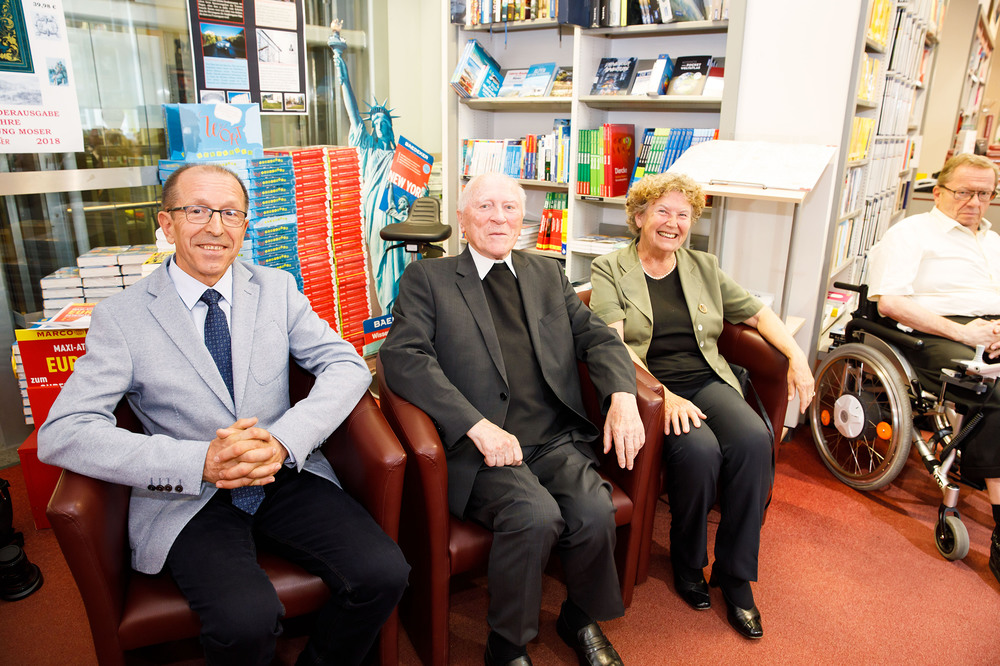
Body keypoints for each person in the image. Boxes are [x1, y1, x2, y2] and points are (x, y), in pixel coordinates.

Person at [38, 164, 409, 666]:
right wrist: (199, 462)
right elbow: (64, 431)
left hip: (281, 473)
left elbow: (345, 363)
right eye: (197, 211)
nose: (216, 227)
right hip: (189, 497)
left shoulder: (276, 288)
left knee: (385, 573)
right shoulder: (122, 317)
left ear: (244, 226)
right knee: (244, 621)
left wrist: (283, 440)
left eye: (230, 213)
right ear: (167, 224)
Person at [379, 173, 645, 666]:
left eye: (509, 208)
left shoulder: (547, 273)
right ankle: (506, 645)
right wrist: (474, 424)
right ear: (462, 219)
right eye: (484, 207)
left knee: (594, 511)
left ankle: (579, 616)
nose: (498, 218)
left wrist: (623, 396)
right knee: (534, 516)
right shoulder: (429, 279)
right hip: (482, 446)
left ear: (522, 219)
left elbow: (598, 338)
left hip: (553, 437)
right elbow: (402, 357)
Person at [588, 172, 814, 640]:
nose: (673, 223)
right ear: (639, 217)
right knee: (700, 451)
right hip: (652, 389)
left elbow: (758, 314)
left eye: (683, 215)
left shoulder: (703, 266)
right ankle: (688, 561)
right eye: (662, 212)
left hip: (706, 378)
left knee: (754, 440)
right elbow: (613, 342)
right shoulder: (610, 268)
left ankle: (735, 574)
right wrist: (663, 394)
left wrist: (797, 357)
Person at [867, 152, 1000, 586]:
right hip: (938, 332)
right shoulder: (911, 234)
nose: (975, 202)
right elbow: (890, 302)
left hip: (993, 330)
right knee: (994, 392)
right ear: (938, 191)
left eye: (985, 194)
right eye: (964, 192)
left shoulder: (993, 242)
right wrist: (964, 333)